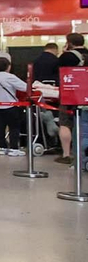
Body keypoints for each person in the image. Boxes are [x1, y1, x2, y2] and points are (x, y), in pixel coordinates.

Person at [0, 57, 29, 157]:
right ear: (8, 66)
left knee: (0, 128)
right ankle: (14, 148)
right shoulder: (10, 77)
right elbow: (25, 87)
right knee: (14, 127)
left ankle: (2, 147)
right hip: (10, 106)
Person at [59, 33, 87, 164]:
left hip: (70, 93)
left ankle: (66, 154)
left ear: (69, 43)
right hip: (86, 94)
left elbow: (59, 72)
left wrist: (64, 52)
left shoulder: (66, 56)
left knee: (65, 123)